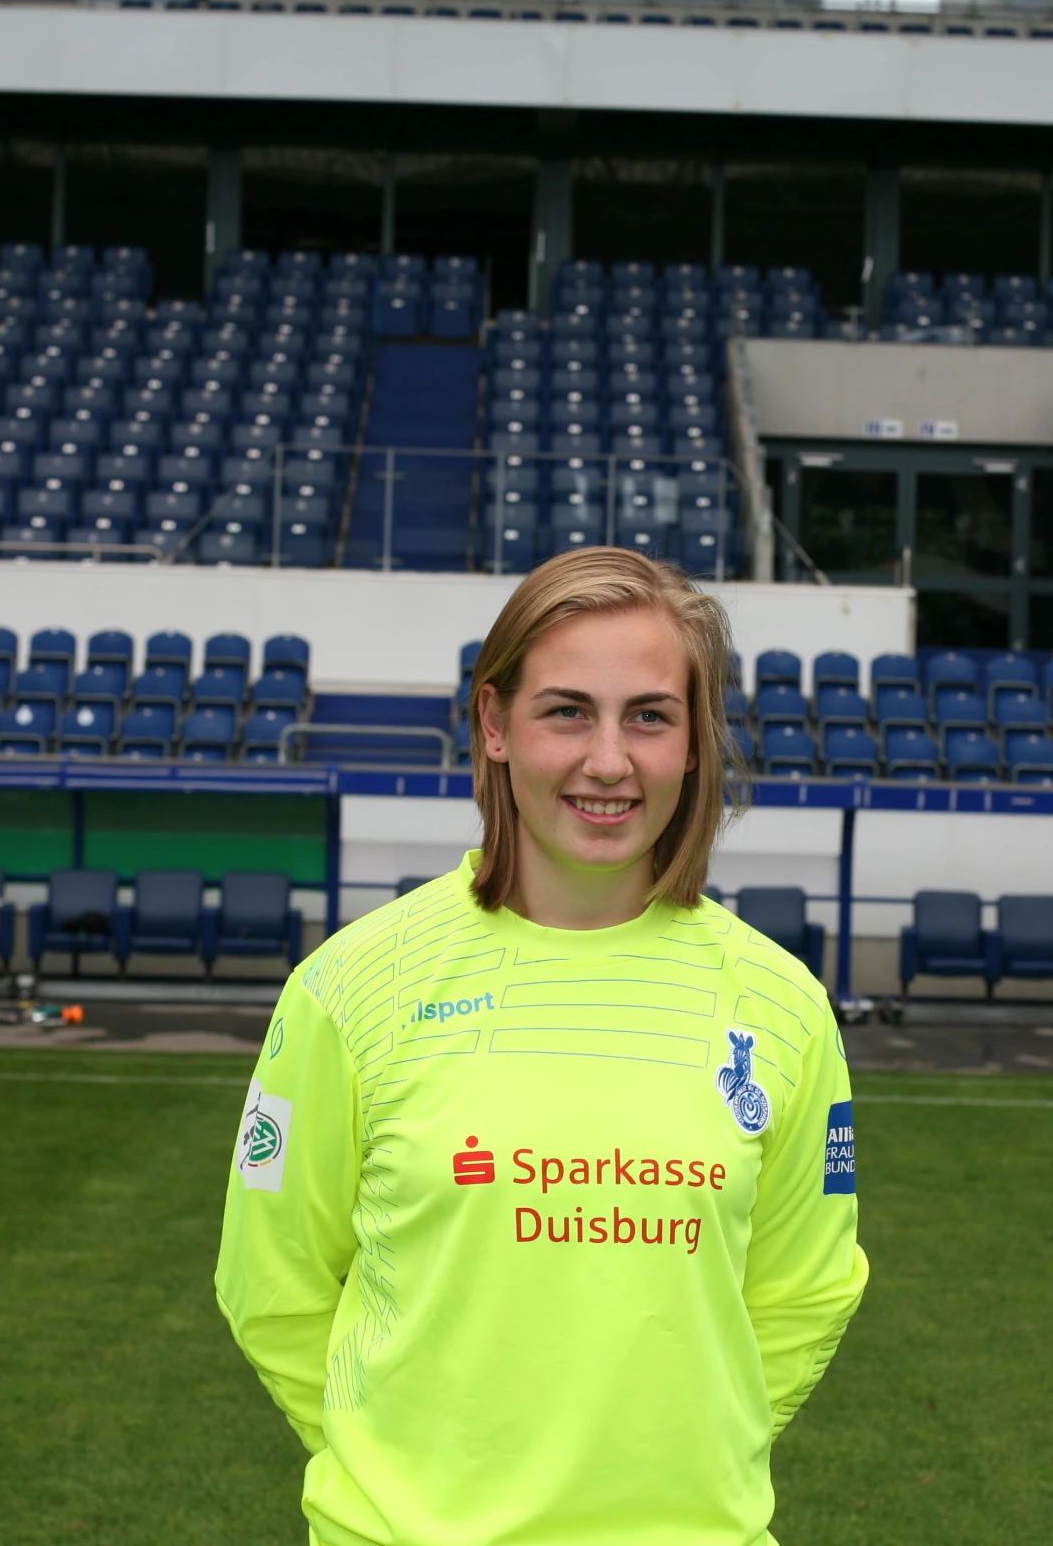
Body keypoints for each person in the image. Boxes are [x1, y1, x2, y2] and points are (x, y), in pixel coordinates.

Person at [217, 548, 868, 1546]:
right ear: (495, 725)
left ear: (693, 742)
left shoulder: (780, 1006)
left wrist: (673, 1451)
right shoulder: (352, 989)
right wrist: (404, 1466)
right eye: (567, 710)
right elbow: (274, 1283)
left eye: (648, 715)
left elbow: (803, 1290)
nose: (608, 759)